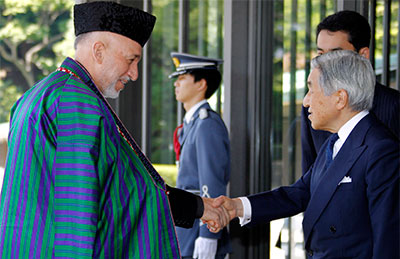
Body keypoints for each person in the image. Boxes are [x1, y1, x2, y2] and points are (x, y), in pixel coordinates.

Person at [0, 2, 228, 258]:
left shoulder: (44, 93)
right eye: (131, 59)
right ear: (98, 51)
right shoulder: (75, 104)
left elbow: (124, 185)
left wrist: (198, 206)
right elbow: (75, 216)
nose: (135, 74)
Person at [210, 50, 399, 258]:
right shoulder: (336, 141)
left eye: (311, 90)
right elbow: (300, 192)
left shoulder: (381, 150)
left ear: (340, 98)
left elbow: (388, 241)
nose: (306, 101)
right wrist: (237, 207)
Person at [301, 10, 400, 174]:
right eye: (320, 54)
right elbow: (308, 178)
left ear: (363, 55)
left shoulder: (393, 106)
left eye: (335, 54)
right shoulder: (311, 106)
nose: (324, 63)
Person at [170, 53, 232, 259]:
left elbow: (212, 183)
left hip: (200, 227)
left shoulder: (207, 125)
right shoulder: (191, 124)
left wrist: (209, 235)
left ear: (201, 84)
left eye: (182, 78)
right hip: (188, 229)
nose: (176, 84)